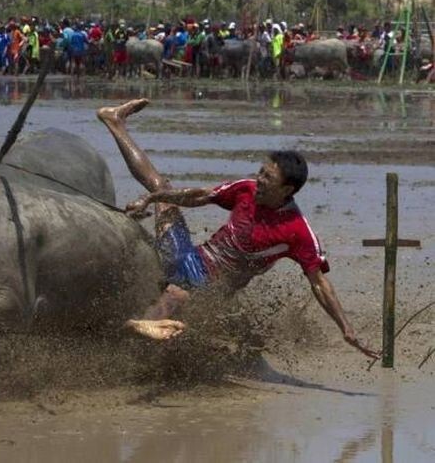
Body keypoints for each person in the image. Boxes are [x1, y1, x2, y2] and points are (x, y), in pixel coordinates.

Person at [96, 98, 379, 359]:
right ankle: (115, 122)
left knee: (181, 293)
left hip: (209, 284)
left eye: (268, 178)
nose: (259, 180)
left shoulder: (297, 231)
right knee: (162, 192)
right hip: (189, 261)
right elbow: (201, 196)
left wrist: (346, 327)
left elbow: (319, 283)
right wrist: (154, 199)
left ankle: (131, 330)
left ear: (287, 189)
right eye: (261, 172)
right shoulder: (246, 189)